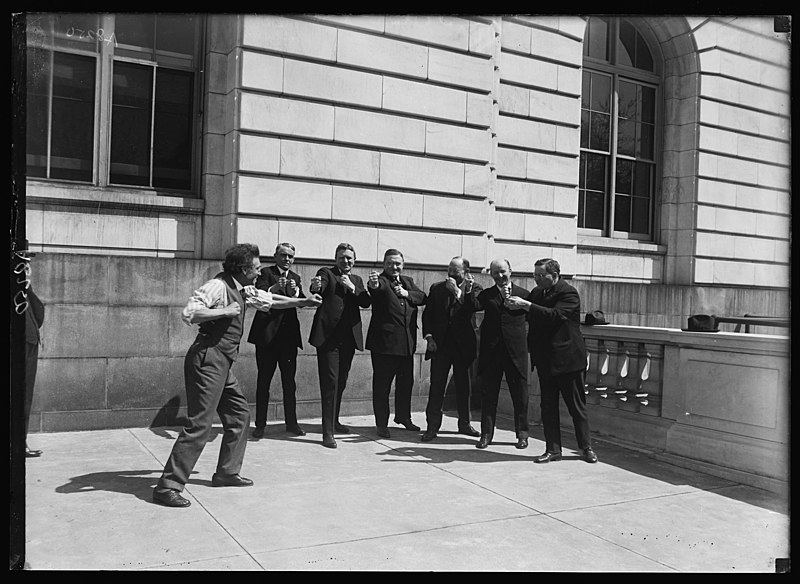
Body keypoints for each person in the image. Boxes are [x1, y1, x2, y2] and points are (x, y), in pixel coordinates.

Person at [153, 244, 321, 508]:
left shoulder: (243, 288)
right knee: (200, 424)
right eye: (255, 268)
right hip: (207, 359)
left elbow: (270, 300)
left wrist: (303, 301)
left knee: (240, 416)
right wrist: (224, 311)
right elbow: (189, 313)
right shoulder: (218, 287)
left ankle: (227, 473)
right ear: (243, 269)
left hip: (222, 363)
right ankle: (168, 486)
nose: (258, 273)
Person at [505, 258, 597, 464]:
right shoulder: (538, 293)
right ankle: (553, 449)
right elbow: (533, 316)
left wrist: (526, 305)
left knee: (576, 406)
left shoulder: (568, 293)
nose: (536, 279)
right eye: (534, 275)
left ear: (554, 275)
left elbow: (555, 315)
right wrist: (515, 306)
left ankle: (586, 447)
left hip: (568, 360)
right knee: (548, 407)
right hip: (546, 360)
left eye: (540, 275)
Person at [308, 243, 372, 448]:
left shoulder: (357, 280)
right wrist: (315, 287)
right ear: (336, 258)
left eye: (350, 258)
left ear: (355, 261)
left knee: (341, 381)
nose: (346, 261)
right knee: (330, 383)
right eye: (342, 257)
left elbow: (365, 302)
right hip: (328, 339)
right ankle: (327, 432)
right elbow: (319, 286)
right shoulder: (326, 273)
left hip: (348, 340)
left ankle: (334, 421)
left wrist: (352, 288)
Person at [466, 259, 530, 450]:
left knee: (520, 395)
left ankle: (522, 434)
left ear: (511, 271)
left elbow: (536, 317)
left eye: (502, 272)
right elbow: (473, 306)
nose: (500, 276)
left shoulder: (524, 295)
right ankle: (486, 434)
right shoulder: (487, 294)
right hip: (492, 353)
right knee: (489, 395)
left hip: (516, 353)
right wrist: (469, 290)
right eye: (495, 273)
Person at [247, 243, 307, 438]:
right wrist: (275, 287)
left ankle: (292, 424)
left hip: (288, 339)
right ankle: (261, 425)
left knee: (289, 383)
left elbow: (302, 301)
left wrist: (295, 292)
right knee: (263, 381)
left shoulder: (296, 277)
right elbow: (259, 296)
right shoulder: (265, 273)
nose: (287, 259)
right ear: (275, 256)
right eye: (283, 255)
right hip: (267, 338)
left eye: (290, 256)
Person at [365, 248, 426, 438]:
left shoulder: (407, 282)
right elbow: (376, 289)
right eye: (390, 263)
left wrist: (406, 293)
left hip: (407, 345)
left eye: (398, 263)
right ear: (384, 264)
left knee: (405, 383)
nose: (394, 267)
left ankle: (403, 417)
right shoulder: (381, 281)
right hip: (385, 346)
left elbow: (422, 297)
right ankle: (381, 423)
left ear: (403, 265)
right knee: (382, 386)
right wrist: (373, 284)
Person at [420, 256, 481, 442]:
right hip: (441, 345)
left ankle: (464, 424)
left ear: (465, 272)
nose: (451, 274)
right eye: (449, 269)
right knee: (437, 386)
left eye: (456, 271)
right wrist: (429, 337)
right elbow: (427, 314)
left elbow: (475, 308)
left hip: (463, 347)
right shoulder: (436, 288)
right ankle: (432, 427)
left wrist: (458, 293)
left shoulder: (475, 289)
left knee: (464, 387)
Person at [23, 280, 45, 458]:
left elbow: (39, 315)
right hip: (20, 347)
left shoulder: (24, 292)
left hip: (29, 345)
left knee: (25, 398)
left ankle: (20, 442)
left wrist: (29, 289)